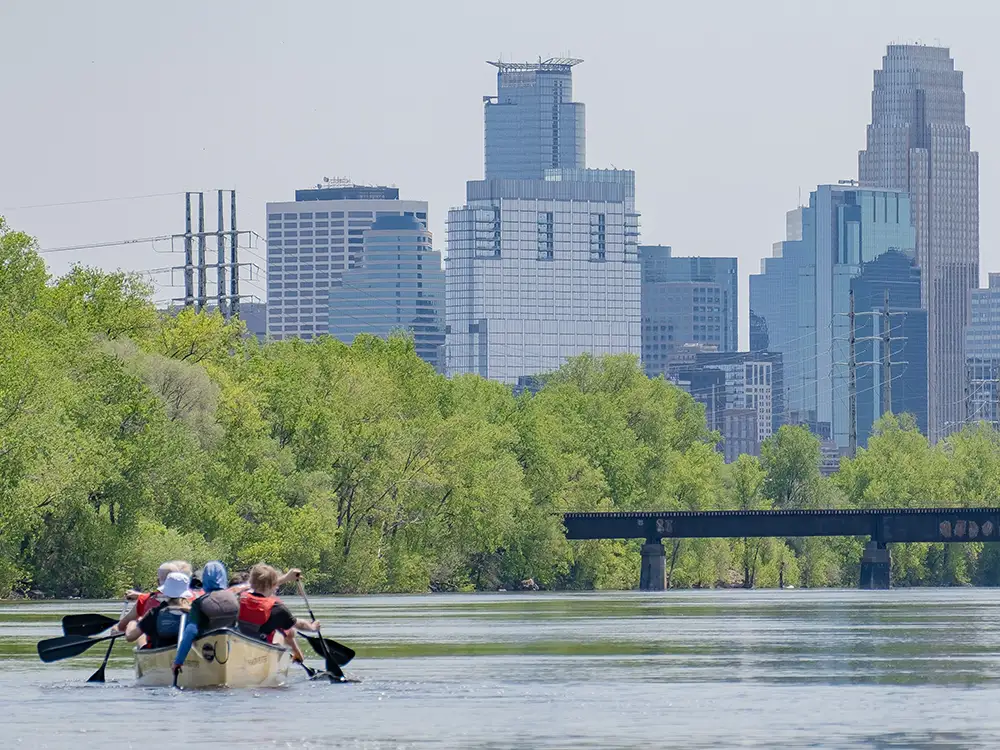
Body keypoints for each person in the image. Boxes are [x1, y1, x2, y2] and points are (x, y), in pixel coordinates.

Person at [172, 561, 242, 679]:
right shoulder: (236, 600)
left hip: (207, 646)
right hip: (231, 644)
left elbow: (190, 631)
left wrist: (178, 661)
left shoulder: (199, 603)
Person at [237, 563, 319, 664]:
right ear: (272, 585)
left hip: (239, 647)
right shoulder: (277, 608)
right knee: (279, 634)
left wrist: (286, 578)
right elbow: (299, 624)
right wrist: (312, 627)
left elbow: (262, 584)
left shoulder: (239, 597)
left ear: (251, 582)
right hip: (259, 653)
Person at [126, 571, 192, 650]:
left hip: (161, 653)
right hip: (188, 652)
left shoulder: (154, 612)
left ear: (165, 592)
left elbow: (130, 637)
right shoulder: (195, 612)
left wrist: (132, 622)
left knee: (142, 637)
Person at [117, 562, 180, 638]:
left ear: (158, 582)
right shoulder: (191, 599)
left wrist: (132, 624)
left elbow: (121, 627)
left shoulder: (147, 603)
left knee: (141, 635)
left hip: (154, 644)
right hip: (181, 640)